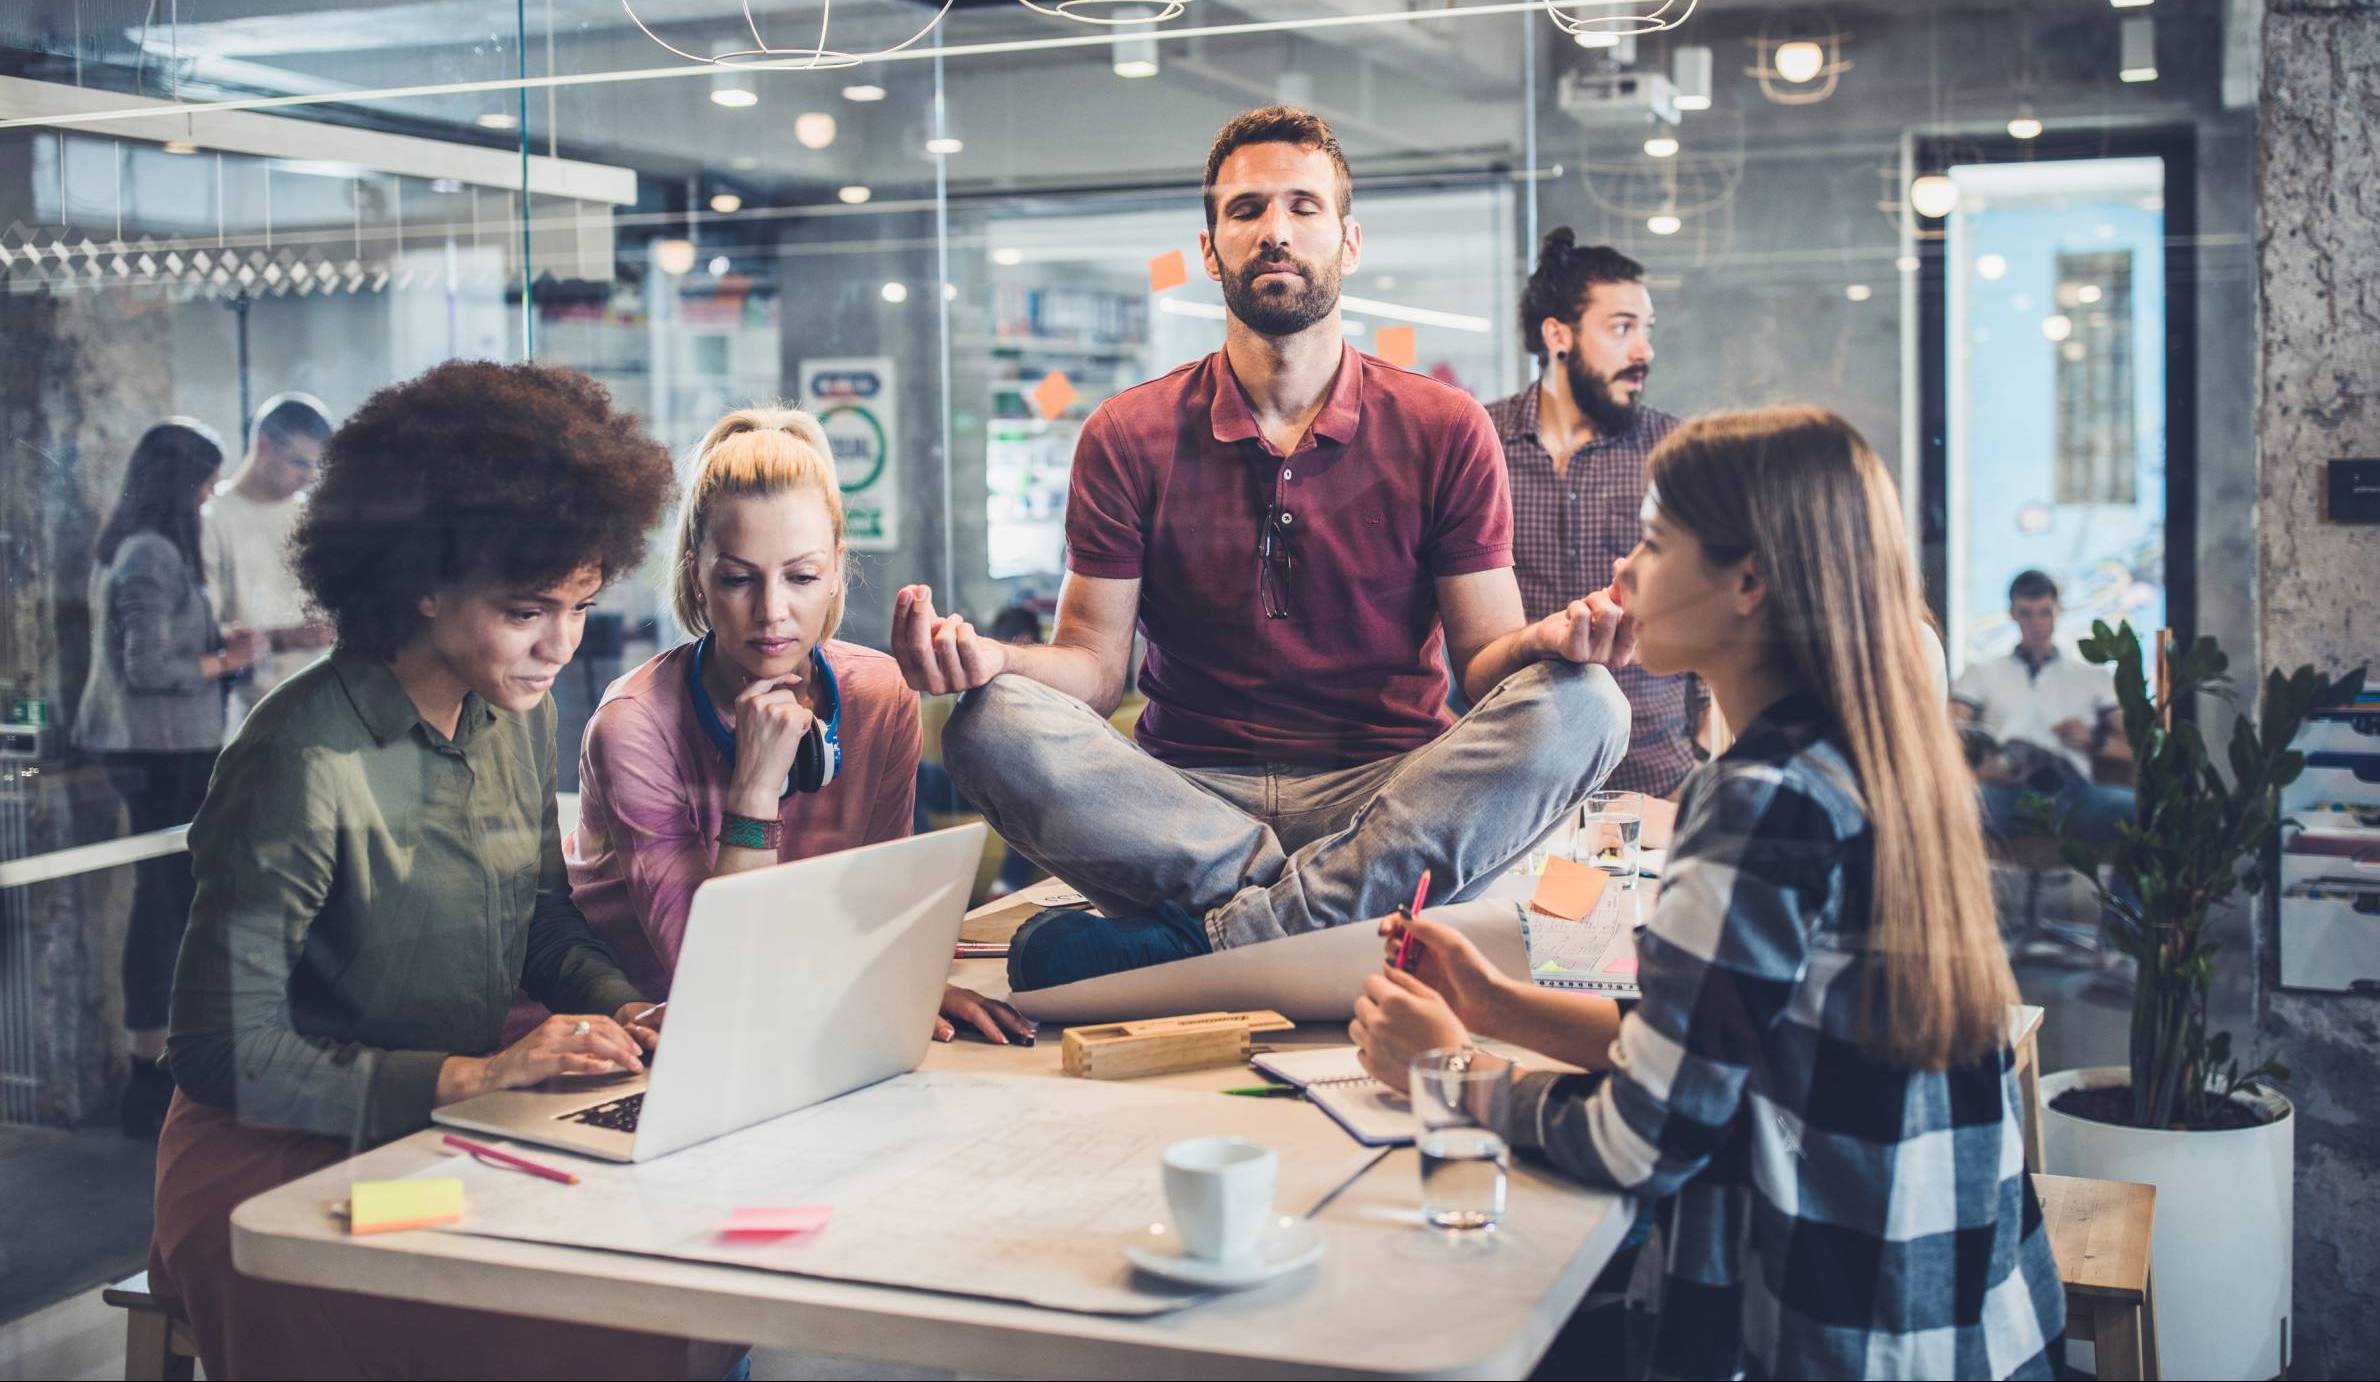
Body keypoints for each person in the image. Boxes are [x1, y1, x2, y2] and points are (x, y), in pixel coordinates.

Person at [1352, 408, 2064, 1380]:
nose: (1625, 574)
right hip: (1967, 1312)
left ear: (1749, 581)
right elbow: (1718, 1050)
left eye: (1651, 541)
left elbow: (1640, 1138)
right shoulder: (1867, 756)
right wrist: (1489, 1003)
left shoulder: (1760, 801)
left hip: (1836, 1326)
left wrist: (1456, 1075)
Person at [890, 106, 1632, 990]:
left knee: (1588, 706)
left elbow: (1483, 667)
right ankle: (1324, 918)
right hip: (1186, 806)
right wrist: (991, 659)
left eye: (1303, 207)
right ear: (1210, 249)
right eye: (1245, 211)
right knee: (990, 722)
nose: (1275, 231)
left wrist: (1551, 644)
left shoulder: (1444, 426)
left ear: (1348, 243)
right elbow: (1094, 669)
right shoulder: (1126, 432)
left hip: (1388, 792)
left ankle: (1220, 939)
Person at [151, 361, 746, 1381]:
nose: (560, 645)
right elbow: (218, 1052)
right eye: (526, 611)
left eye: (580, 605)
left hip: (448, 1122)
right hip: (274, 1162)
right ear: (422, 582)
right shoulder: (297, 755)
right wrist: (478, 1074)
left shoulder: (517, 709)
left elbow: (540, 922)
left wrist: (630, 1008)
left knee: (682, 1288)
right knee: (578, 1325)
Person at [533, 407, 1031, 1046]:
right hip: (640, 1043)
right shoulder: (633, 727)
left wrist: (903, 978)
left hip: (802, 1017)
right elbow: (718, 980)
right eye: (739, 579)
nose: (772, 613)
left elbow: (874, 913)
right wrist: (755, 789)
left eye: (801, 577)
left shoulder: (879, 696)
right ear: (696, 576)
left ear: (835, 572)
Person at [73, 418, 268, 1137]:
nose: (213, 492)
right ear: (182, 482)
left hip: (167, 747)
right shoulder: (150, 551)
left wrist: (228, 646)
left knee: (170, 903)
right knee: (162, 907)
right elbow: (147, 667)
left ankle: (163, 1068)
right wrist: (225, 663)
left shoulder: (147, 545)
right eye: (207, 479)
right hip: (155, 751)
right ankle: (150, 1076)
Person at [1485, 231, 1697, 797]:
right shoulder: (1479, 446)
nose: (1643, 351)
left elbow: (1712, 597)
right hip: (1514, 776)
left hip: (1656, 774)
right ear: (1558, 335)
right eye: (1622, 328)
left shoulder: (1674, 449)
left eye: (1646, 329)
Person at [1952, 568, 2135, 849]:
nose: (2036, 622)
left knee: (2136, 812)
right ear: (2012, 614)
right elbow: (1944, 735)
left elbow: (2137, 746)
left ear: (2058, 610)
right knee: (1950, 811)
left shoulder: (2091, 677)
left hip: (2073, 793)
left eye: (2044, 612)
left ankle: (2120, 896)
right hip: (2003, 790)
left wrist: (2094, 740)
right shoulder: (1981, 672)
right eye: (2026, 613)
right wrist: (1978, 770)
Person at [200, 391, 338, 725]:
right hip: (249, 707)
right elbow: (204, 629)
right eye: (299, 463)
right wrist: (288, 637)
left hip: (322, 699)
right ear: (263, 446)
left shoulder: (314, 517)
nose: (308, 478)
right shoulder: (211, 518)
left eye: (316, 467)